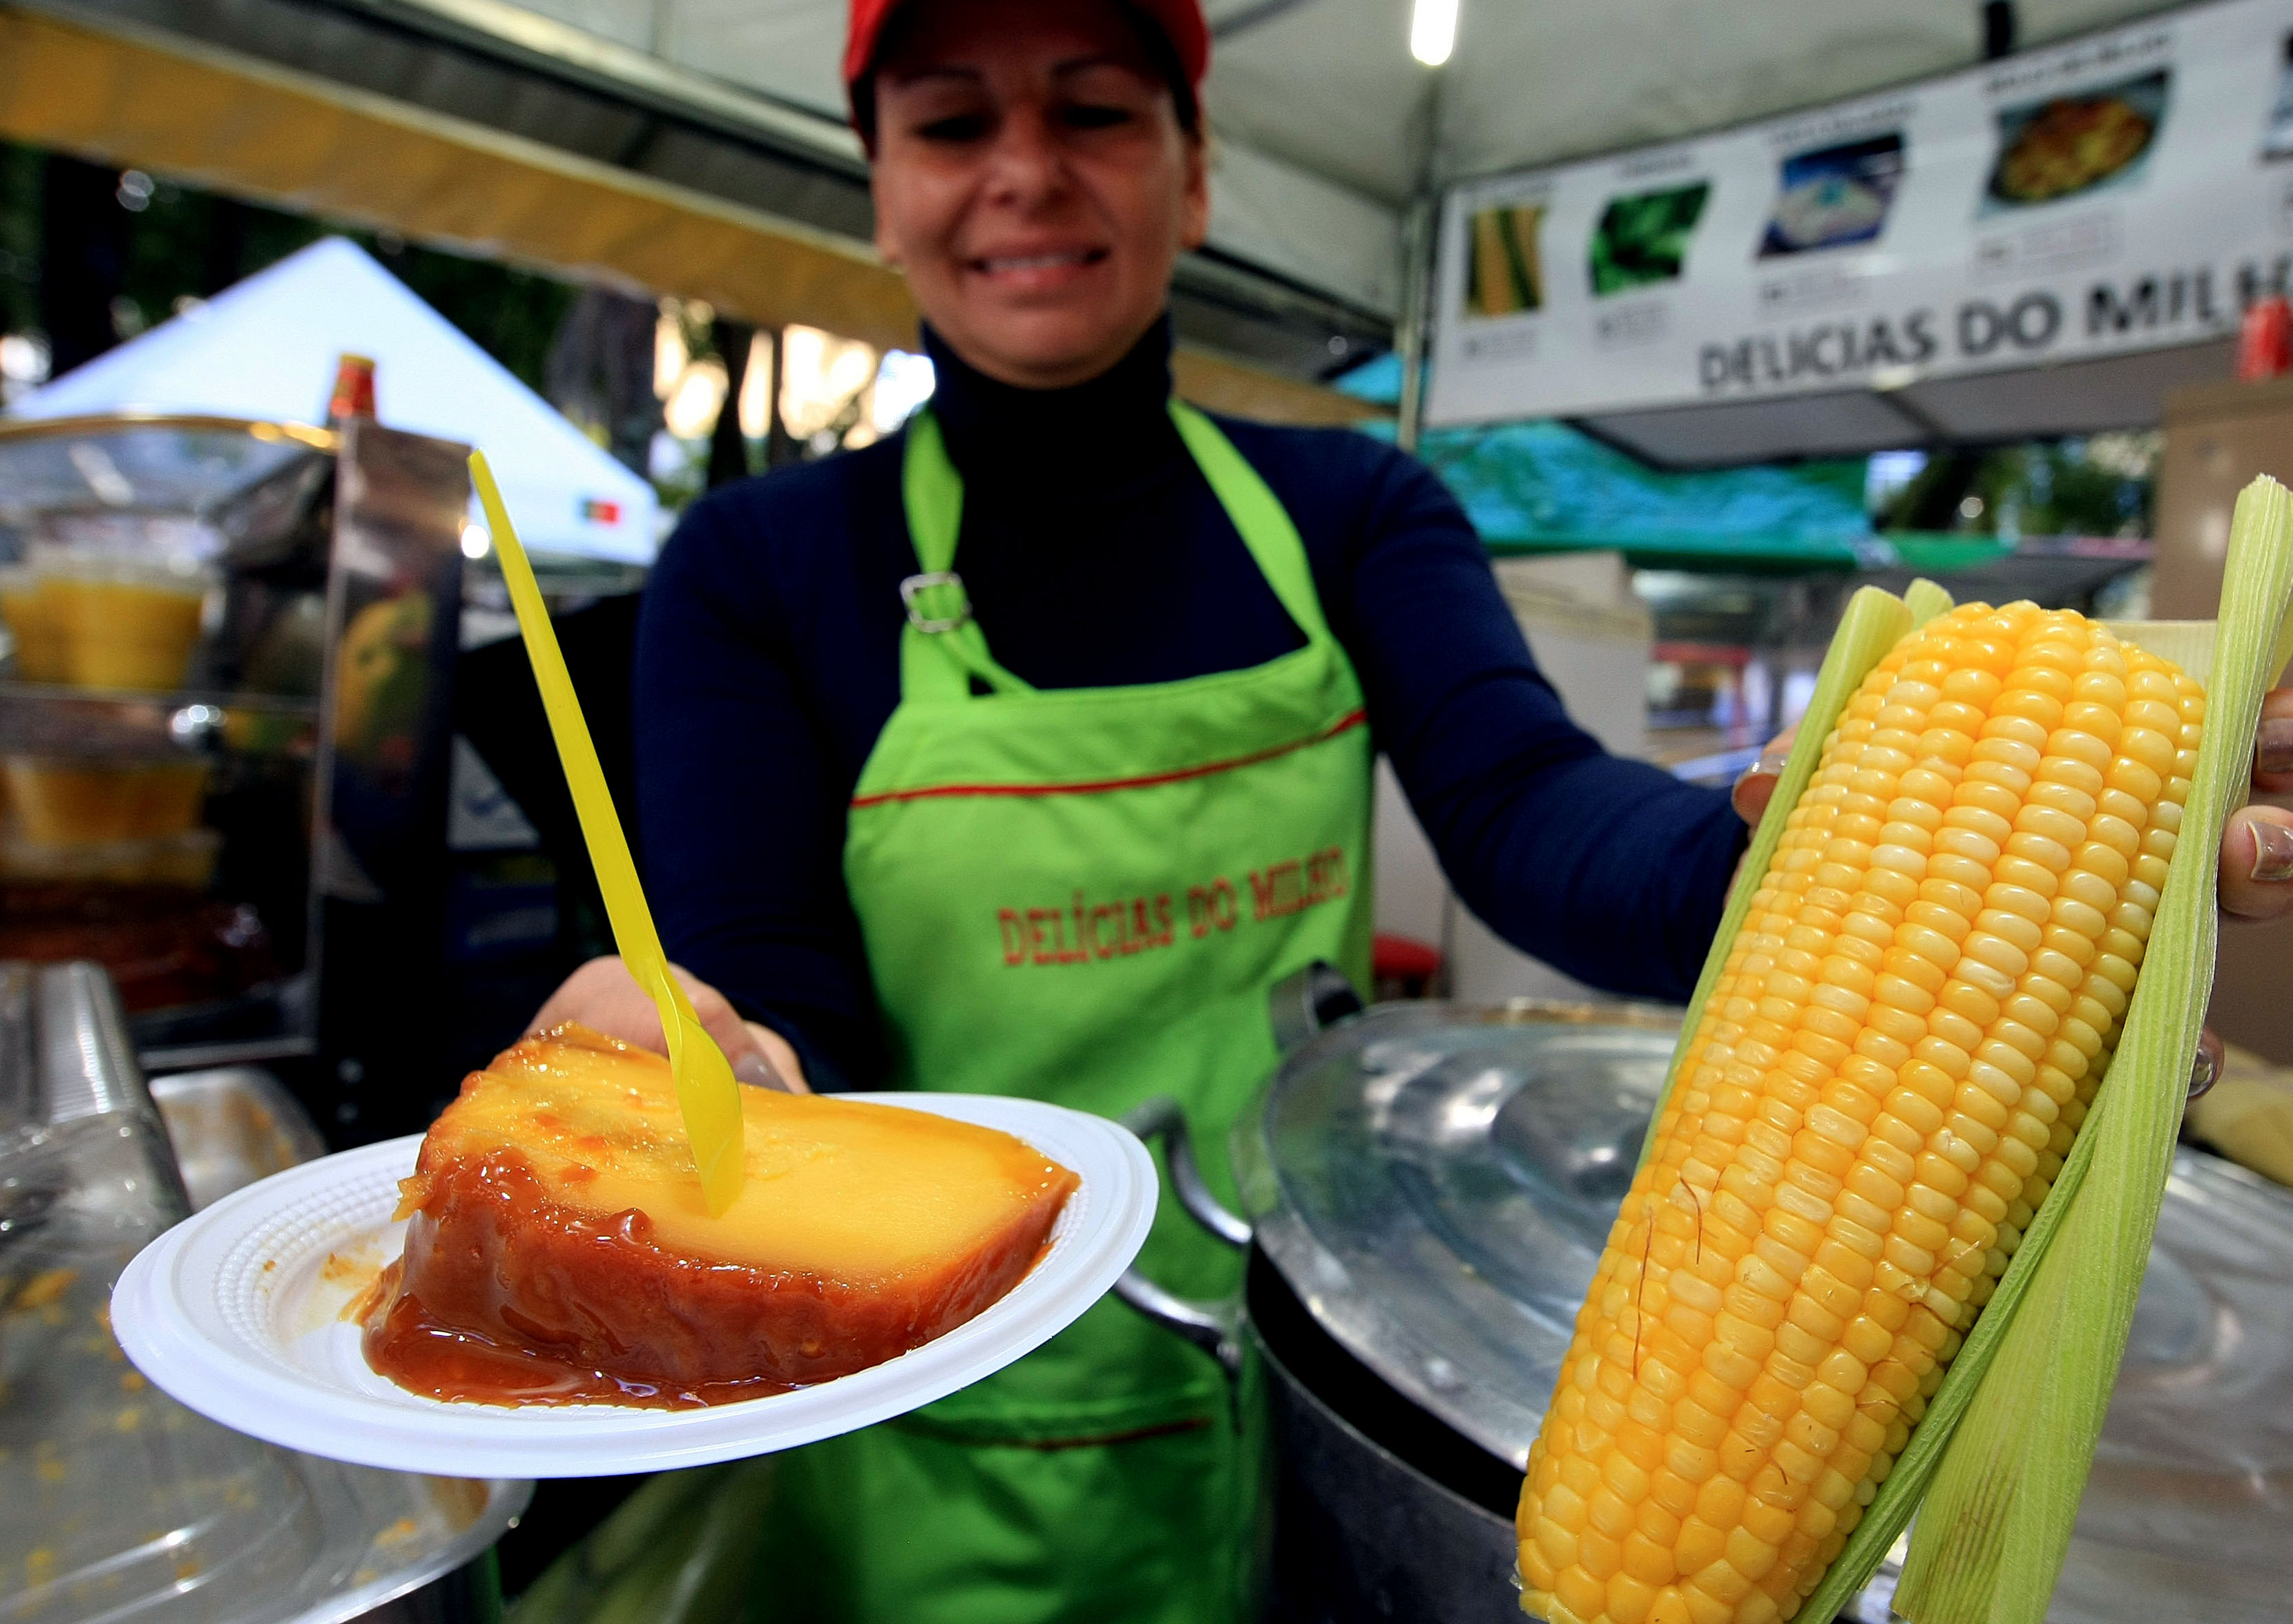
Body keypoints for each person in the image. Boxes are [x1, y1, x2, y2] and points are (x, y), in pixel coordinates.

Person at [530, 0, 2293, 1616]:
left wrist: (1837, 855)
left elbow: (1527, 815)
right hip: (896, 1395)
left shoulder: (1346, 509)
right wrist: (719, 1059)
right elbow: (778, 979)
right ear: (880, 186)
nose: (1023, 175)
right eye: (948, 123)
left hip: (1277, 1367)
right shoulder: (760, 566)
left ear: (1196, 172)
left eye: (1094, 112)